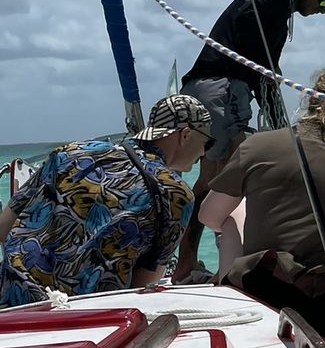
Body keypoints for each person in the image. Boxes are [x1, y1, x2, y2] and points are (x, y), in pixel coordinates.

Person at [173, 0, 325, 281]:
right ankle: (204, 265)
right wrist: (269, 67)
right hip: (222, 87)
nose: (324, 11)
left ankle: (199, 263)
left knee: (217, 180)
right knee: (221, 181)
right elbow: (246, 25)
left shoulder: (282, 10)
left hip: (226, 90)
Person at [199, 64, 325, 348]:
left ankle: (225, 287)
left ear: (310, 100)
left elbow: (208, 216)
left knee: (233, 213)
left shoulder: (258, 145)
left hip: (261, 296)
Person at [0, 94, 213, 308]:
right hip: (83, 313)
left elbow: (3, 228)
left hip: (11, 298)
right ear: (186, 135)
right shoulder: (175, 194)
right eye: (207, 142)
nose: (204, 152)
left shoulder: (71, 153)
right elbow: (142, 286)